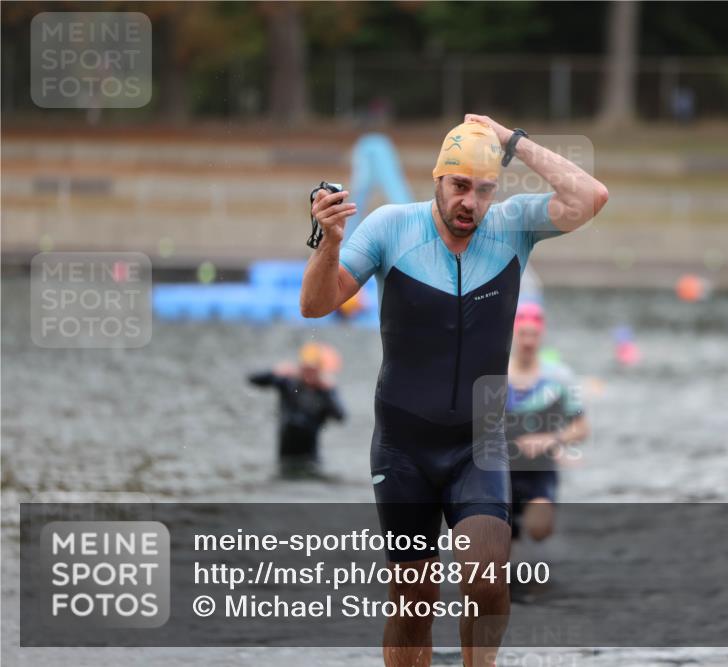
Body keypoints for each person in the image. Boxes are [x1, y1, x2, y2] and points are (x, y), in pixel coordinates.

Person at [300, 114, 608, 667]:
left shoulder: (513, 227)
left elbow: (591, 196)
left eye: (484, 189)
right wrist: (330, 245)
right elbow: (315, 304)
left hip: (479, 440)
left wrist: (512, 140)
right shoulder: (391, 227)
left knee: (487, 580)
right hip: (403, 445)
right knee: (413, 601)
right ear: (437, 179)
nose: (470, 202)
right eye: (460, 186)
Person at [506, 302, 589, 544]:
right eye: (523, 334)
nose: (528, 341)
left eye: (533, 335)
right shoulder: (495, 374)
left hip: (538, 471)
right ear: (513, 335)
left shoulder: (560, 377)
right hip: (498, 471)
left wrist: (552, 440)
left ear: (542, 336)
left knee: (539, 528)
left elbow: (581, 428)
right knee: (499, 549)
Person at [247, 342, 346, 479]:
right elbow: (252, 379)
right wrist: (274, 371)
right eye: (306, 368)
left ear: (319, 370)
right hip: (285, 454)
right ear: (301, 366)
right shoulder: (288, 383)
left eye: (313, 370)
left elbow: (341, 416)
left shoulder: (324, 391)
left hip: (310, 457)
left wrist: (329, 392)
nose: (309, 373)